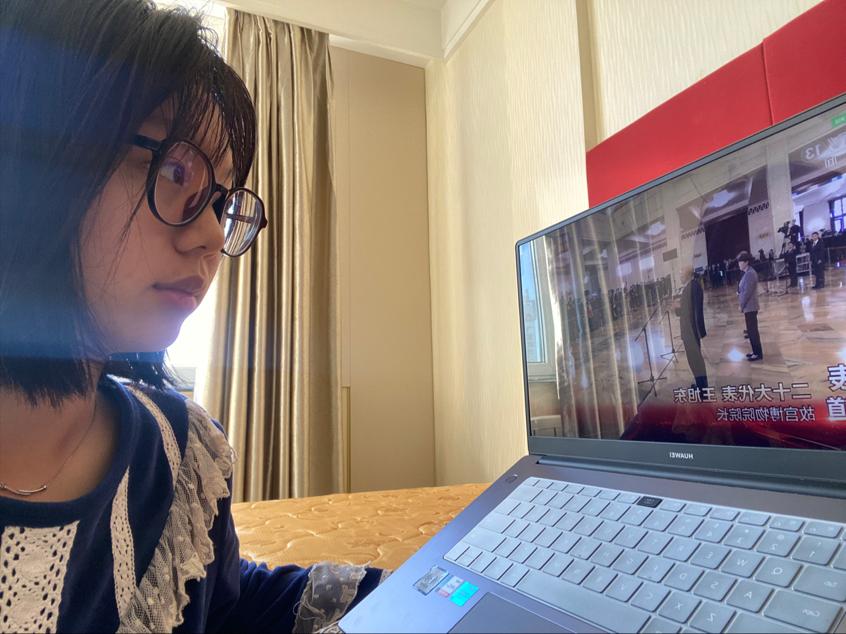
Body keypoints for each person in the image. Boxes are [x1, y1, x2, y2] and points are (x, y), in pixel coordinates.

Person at [0, 2, 383, 632]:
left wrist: (420, 589)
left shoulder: (179, 451)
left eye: (220, 201)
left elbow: (220, 604)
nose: (210, 235)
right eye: (176, 172)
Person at [676, 268, 708, 392]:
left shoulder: (694, 287)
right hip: (689, 331)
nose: (680, 277)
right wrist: (678, 308)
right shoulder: (689, 287)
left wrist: (696, 332)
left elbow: (696, 311)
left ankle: (703, 390)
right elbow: (686, 310)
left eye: (681, 274)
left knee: (696, 360)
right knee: (693, 360)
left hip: (691, 331)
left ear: (688, 274)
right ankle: (700, 385)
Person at [736, 252, 763, 361]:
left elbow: (747, 293)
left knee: (753, 331)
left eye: (740, 262)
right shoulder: (747, 273)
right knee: (751, 331)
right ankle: (755, 351)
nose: (739, 264)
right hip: (749, 307)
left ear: (746, 262)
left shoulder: (750, 274)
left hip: (750, 306)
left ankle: (758, 353)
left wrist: (741, 306)